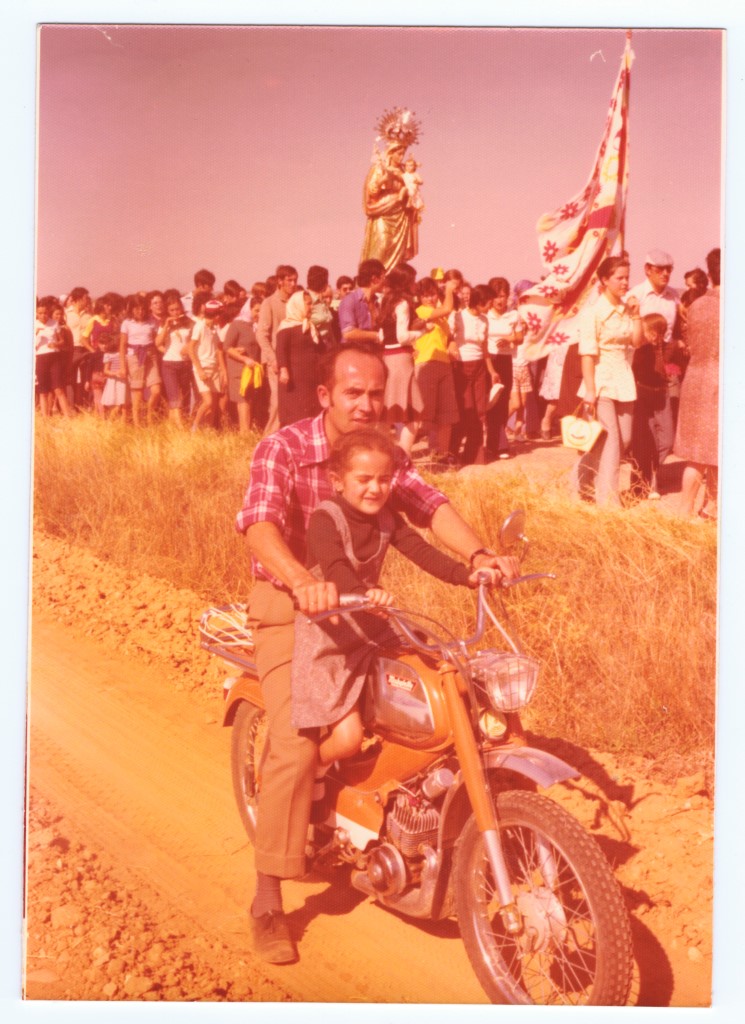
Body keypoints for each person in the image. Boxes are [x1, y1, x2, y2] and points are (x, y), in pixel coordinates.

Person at [235, 340, 517, 965]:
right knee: (294, 742)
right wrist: (303, 581)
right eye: (352, 392)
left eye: (374, 394)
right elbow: (259, 525)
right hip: (292, 608)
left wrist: (477, 557)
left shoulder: (383, 455)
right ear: (325, 395)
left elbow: (429, 510)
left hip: (362, 609)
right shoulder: (284, 448)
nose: (365, 404)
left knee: (447, 682)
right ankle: (268, 897)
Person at [291, 427, 502, 788]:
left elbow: (421, 551)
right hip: (330, 634)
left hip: (371, 626)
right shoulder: (325, 519)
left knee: (430, 670)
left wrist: (467, 575)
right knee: (347, 739)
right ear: (337, 481)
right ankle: (314, 775)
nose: (375, 488)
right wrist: (362, 593)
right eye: (364, 479)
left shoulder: (387, 517)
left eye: (384, 479)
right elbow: (336, 566)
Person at [573, 255, 644, 506]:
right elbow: (587, 354)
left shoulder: (627, 310)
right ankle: (609, 503)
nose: (625, 282)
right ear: (604, 280)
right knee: (612, 441)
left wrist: (636, 315)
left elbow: (637, 342)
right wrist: (590, 390)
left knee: (623, 439)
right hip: (600, 380)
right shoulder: (592, 313)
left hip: (624, 380)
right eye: (619, 278)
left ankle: (582, 480)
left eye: (627, 277)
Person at [674, 248, 720, 520]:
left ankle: (694, 510)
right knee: (714, 451)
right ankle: (705, 509)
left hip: (695, 379)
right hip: (720, 381)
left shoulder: (697, 305)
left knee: (699, 453)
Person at [377, 265, 427, 456]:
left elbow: (382, 336)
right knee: (414, 414)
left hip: (386, 358)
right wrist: (422, 332)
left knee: (386, 413)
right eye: (413, 280)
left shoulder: (386, 302)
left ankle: (382, 454)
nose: (415, 284)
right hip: (401, 360)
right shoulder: (403, 304)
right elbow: (402, 337)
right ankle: (403, 456)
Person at [413, 275, 460, 462]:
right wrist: (448, 289)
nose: (430, 298)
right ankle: (403, 452)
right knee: (422, 416)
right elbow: (448, 308)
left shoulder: (441, 319)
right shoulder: (421, 311)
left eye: (432, 294)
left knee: (446, 415)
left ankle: (442, 454)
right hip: (426, 364)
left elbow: (448, 337)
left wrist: (452, 345)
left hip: (444, 365)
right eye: (425, 295)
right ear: (419, 298)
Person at [629, 312, 674, 499]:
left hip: (662, 395)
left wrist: (671, 369)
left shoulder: (669, 347)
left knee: (667, 440)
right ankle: (646, 482)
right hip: (642, 394)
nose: (644, 335)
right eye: (646, 332)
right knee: (646, 441)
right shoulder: (640, 349)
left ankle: (655, 468)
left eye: (647, 331)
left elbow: (673, 370)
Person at [449, 284, 494, 465]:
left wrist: (492, 371)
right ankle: (452, 451)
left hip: (480, 368)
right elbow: (449, 339)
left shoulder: (484, 320)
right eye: (488, 303)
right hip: (462, 367)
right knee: (466, 411)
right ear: (479, 301)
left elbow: (485, 348)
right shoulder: (458, 316)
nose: (490, 306)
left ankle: (474, 455)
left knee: (480, 411)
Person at [360, 141, 417, 272]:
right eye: (398, 154)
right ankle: (375, 278)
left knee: (398, 250)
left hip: (400, 214)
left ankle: (393, 281)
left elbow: (412, 189)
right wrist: (383, 180)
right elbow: (372, 191)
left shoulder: (405, 172)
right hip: (383, 211)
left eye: (403, 154)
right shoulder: (380, 168)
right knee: (382, 245)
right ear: (390, 153)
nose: (401, 157)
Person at [256, 264, 299, 436]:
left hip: (294, 360)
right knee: (277, 402)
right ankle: (267, 440)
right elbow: (261, 334)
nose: (293, 284)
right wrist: (273, 359)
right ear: (280, 281)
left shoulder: (296, 302)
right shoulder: (269, 303)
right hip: (276, 362)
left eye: (295, 280)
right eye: (289, 280)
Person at [485, 277, 525, 458]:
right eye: (497, 296)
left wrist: (509, 339)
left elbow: (520, 338)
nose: (500, 301)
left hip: (506, 360)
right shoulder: (486, 314)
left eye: (503, 296)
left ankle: (497, 443)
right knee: (491, 402)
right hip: (488, 360)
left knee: (502, 403)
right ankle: (496, 444)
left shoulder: (513, 314)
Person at [276, 290, 327, 427]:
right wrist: (283, 369)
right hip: (295, 381)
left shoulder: (311, 327)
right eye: (308, 304)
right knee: (297, 414)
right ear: (298, 305)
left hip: (311, 378)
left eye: (311, 304)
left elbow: (321, 349)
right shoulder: (286, 328)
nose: (311, 307)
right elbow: (281, 349)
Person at [119, 293, 161, 426]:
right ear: (131, 309)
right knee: (137, 391)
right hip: (134, 356)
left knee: (156, 390)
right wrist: (122, 366)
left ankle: (148, 416)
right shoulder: (127, 323)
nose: (140, 311)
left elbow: (157, 340)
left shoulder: (152, 322)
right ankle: (137, 423)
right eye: (137, 309)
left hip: (151, 356)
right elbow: (122, 345)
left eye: (143, 308)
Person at [188, 295, 227, 431]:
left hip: (214, 368)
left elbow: (218, 350)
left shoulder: (214, 329)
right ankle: (194, 427)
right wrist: (199, 369)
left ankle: (208, 430)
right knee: (208, 401)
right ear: (216, 315)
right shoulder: (200, 326)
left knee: (213, 404)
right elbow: (190, 348)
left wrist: (222, 370)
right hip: (203, 368)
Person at [224, 300, 262, 434]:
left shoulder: (255, 326)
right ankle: (244, 433)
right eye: (256, 310)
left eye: (261, 311)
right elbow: (227, 347)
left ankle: (245, 431)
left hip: (252, 370)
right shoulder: (237, 325)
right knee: (243, 400)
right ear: (248, 309)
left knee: (248, 400)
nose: (259, 313)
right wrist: (244, 358)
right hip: (239, 368)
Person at [156, 296, 193, 426]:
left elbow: (193, 341)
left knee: (185, 395)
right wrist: (166, 326)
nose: (175, 312)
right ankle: (181, 427)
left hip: (185, 363)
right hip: (169, 363)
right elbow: (158, 343)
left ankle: (173, 425)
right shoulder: (164, 324)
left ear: (182, 308)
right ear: (168, 311)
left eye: (177, 309)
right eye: (172, 310)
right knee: (174, 395)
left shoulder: (189, 323)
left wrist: (188, 348)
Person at [35, 297, 74, 418]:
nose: (43, 315)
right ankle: (45, 417)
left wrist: (55, 344)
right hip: (40, 357)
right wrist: (36, 334)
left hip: (54, 357)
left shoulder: (54, 323)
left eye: (45, 313)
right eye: (40, 313)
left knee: (58, 388)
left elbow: (62, 341)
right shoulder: (34, 324)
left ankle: (67, 416)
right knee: (43, 391)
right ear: (36, 313)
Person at [337, 258, 386, 344]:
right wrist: (377, 335)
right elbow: (348, 333)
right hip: (353, 350)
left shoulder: (376, 302)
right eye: (383, 277)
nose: (385, 281)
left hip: (371, 349)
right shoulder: (349, 301)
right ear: (374, 279)